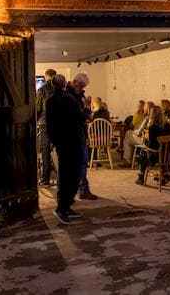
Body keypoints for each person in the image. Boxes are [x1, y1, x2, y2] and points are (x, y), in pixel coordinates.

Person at [45, 74, 88, 225]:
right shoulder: (68, 99)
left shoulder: (49, 100)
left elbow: (49, 125)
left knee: (64, 174)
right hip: (72, 141)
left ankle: (65, 207)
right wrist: (87, 109)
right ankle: (62, 208)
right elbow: (79, 119)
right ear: (64, 84)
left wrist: (55, 141)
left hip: (61, 143)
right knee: (72, 175)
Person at [69, 73, 98, 201]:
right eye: (80, 86)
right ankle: (80, 191)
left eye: (83, 86)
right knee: (79, 165)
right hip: (74, 135)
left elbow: (83, 116)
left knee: (82, 163)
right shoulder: (69, 97)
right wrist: (86, 107)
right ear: (74, 82)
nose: (81, 89)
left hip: (80, 134)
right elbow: (77, 117)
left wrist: (88, 114)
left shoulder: (79, 95)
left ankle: (81, 190)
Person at [135, 106, 170, 185]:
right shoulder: (168, 126)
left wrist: (145, 140)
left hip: (157, 156)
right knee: (156, 151)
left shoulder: (153, 127)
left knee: (143, 153)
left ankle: (141, 177)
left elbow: (151, 146)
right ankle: (165, 175)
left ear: (151, 115)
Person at [35, 68, 56, 187]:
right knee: (60, 151)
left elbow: (38, 108)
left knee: (45, 152)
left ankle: (45, 179)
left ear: (46, 76)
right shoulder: (61, 90)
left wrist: (36, 120)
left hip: (45, 124)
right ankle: (62, 178)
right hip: (59, 124)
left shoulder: (42, 90)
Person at [119, 101, 147, 167]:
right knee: (126, 139)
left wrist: (136, 131)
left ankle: (127, 160)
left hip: (144, 139)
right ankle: (127, 159)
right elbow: (135, 124)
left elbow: (140, 129)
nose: (139, 107)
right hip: (141, 136)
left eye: (143, 107)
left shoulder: (146, 117)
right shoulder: (138, 114)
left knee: (128, 133)